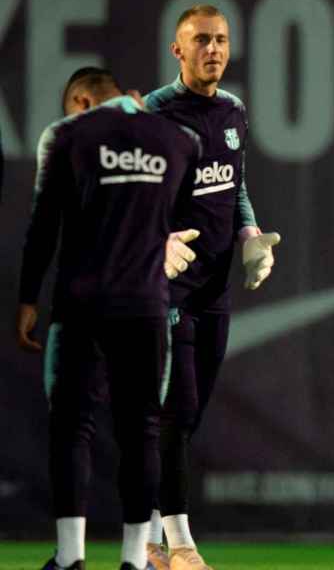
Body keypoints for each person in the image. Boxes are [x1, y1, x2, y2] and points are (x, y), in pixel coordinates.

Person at [15, 66, 201, 570]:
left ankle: (71, 556)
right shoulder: (179, 141)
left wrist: (27, 298)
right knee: (141, 428)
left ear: (79, 100)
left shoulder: (67, 136)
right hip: (145, 306)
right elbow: (173, 224)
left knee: (71, 427)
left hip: (80, 306)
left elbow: (43, 224)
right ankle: (135, 561)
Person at [143, 4, 280, 570]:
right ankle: (181, 547)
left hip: (214, 291)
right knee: (179, 412)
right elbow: (130, 194)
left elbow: (236, 182)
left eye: (221, 40)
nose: (214, 49)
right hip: (166, 289)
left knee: (188, 419)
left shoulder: (234, 110)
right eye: (201, 40)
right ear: (178, 50)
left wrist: (248, 231)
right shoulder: (155, 111)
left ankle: (149, 537)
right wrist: (157, 241)